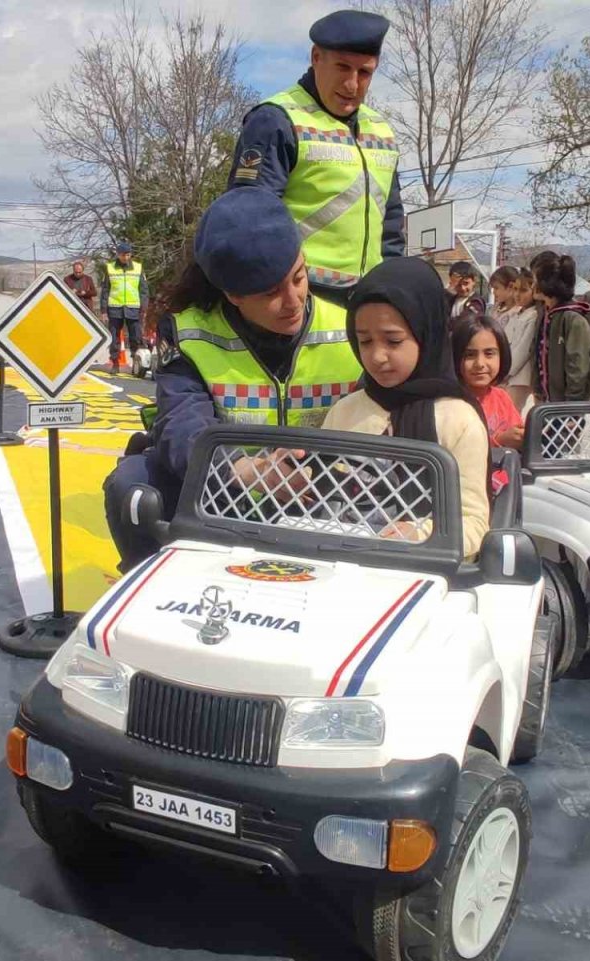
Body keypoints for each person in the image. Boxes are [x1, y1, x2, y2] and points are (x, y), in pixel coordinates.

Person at [102, 189, 362, 571]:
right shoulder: (190, 334)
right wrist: (241, 469)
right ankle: (152, 582)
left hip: (327, 494)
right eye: (271, 293)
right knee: (133, 482)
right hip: (227, 497)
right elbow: (181, 423)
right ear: (232, 296)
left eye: (299, 277)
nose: (293, 301)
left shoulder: (355, 328)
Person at [228, 9, 403, 301]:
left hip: (369, 300)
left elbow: (392, 225)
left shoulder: (381, 131)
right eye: (343, 67)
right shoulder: (276, 120)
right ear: (316, 57)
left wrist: (393, 290)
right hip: (300, 300)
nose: (352, 84)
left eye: (364, 72)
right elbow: (251, 224)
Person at [323, 258, 489, 559]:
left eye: (393, 340)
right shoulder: (345, 411)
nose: (377, 356)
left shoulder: (457, 419)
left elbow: (474, 523)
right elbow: (324, 493)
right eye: (365, 341)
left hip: (428, 572)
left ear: (427, 332)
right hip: (345, 566)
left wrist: (421, 534)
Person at [531, 252, 590, 404]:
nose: (532, 286)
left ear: (547, 283)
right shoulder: (545, 314)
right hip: (546, 400)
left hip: (565, 405)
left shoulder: (573, 320)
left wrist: (572, 404)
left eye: (535, 281)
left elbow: (577, 366)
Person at [452, 314, 524, 451]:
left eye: (489, 354)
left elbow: (516, 432)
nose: (480, 363)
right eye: (470, 355)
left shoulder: (501, 398)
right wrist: (498, 441)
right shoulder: (450, 403)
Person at [100, 242, 147, 373]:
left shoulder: (138, 268)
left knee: (135, 337)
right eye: (122, 255)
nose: (125, 257)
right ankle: (115, 363)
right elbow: (105, 290)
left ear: (130, 254)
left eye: (128, 255)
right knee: (114, 337)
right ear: (118, 254)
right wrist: (103, 310)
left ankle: (136, 364)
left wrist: (144, 308)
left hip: (133, 307)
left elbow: (143, 290)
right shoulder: (110, 268)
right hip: (115, 307)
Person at [502, 267, 539, 412]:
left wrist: (508, 371)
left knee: (512, 412)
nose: (517, 294)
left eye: (523, 290)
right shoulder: (515, 313)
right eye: (515, 289)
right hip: (507, 372)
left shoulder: (533, 315)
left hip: (520, 376)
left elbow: (524, 349)